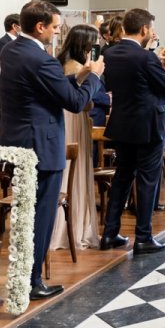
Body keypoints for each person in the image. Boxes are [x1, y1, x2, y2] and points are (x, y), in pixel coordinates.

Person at [0, 0, 102, 300]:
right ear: (40, 27)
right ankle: (31, 281)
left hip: (18, 143)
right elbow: (75, 102)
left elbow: (48, 84)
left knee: (26, 215)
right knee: (41, 216)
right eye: (55, 27)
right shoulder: (40, 58)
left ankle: (23, 278)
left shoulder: (12, 50)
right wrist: (93, 76)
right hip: (41, 147)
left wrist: (77, 76)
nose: (57, 32)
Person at [100, 8, 165, 256]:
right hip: (149, 126)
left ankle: (110, 233)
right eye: (151, 28)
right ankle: (143, 237)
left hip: (123, 123)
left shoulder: (109, 54)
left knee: (122, 178)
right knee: (147, 179)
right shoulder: (145, 57)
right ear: (144, 29)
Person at [50, 25, 103, 251]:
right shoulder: (76, 66)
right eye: (93, 43)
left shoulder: (63, 62)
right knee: (75, 171)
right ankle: (70, 229)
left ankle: (73, 225)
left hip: (73, 118)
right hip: (73, 119)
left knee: (72, 170)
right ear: (85, 45)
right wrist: (95, 76)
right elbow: (81, 100)